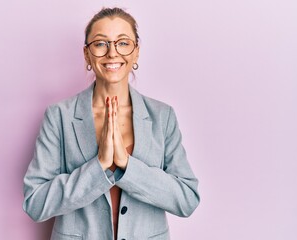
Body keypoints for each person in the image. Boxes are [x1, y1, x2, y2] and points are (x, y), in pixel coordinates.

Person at [23, 7, 200, 240]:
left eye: (123, 43)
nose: (112, 53)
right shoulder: (59, 116)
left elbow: (187, 199)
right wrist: (99, 166)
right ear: (87, 54)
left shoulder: (163, 116)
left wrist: (127, 165)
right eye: (100, 44)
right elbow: (36, 203)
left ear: (136, 52)